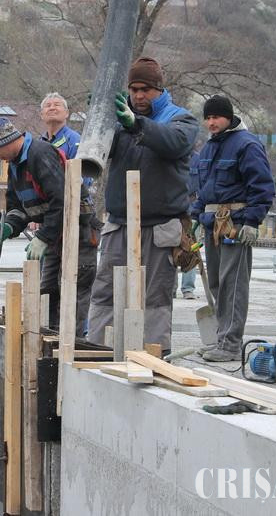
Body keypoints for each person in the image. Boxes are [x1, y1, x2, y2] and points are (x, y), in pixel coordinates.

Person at [87, 57, 199, 355]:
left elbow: (174, 143)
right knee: (106, 291)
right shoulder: (120, 121)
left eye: (145, 90)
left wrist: (136, 124)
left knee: (155, 296)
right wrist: (99, 117)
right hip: (120, 223)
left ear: (159, 90)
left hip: (159, 227)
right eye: (134, 89)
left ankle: (154, 356)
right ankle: (99, 352)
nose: (138, 96)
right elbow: (100, 149)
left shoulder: (182, 120)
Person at [0, 117, 98, 344]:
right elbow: (17, 206)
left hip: (79, 232)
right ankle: (50, 346)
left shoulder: (40, 154)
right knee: (47, 292)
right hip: (55, 234)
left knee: (71, 293)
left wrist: (43, 237)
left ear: (6, 140)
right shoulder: (15, 165)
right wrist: (8, 226)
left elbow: (62, 201)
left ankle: (70, 348)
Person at [190, 95, 275, 362]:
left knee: (233, 285)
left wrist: (251, 222)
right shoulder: (209, 148)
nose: (211, 122)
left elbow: (262, 186)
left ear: (228, 117)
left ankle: (231, 344)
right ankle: (221, 339)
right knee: (217, 283)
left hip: (235, 226)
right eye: (208, 118)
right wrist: (195, 215)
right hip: (212, 225)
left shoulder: (247, 145)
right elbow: (204, 189)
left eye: (216, 117)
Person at [38, 92, 100, 335]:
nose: (52, 108)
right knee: (48, 284)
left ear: (66, 113)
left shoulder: (75, 142)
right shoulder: (40, 144)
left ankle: (75, 336)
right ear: (42, 114)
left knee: (75, 283)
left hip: (78, 221)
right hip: (53, 223)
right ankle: (50, 333)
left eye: (57, 105)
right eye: (48, 105)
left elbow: (83, 181)